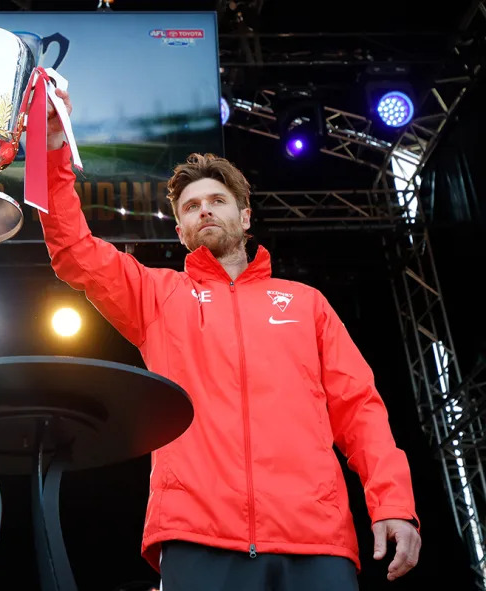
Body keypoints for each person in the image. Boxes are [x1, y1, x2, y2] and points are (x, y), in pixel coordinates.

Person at [39, 89, 421, 590]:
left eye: (218, 201)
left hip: (315, 537)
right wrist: (49, 148)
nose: (205, 211)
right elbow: (73, 250)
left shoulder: (306, 303)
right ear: (179, 230)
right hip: (198, 534)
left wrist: (392, 501)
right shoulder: (157, 295)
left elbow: (359, 408)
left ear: (244, 217)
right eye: (192, 206)